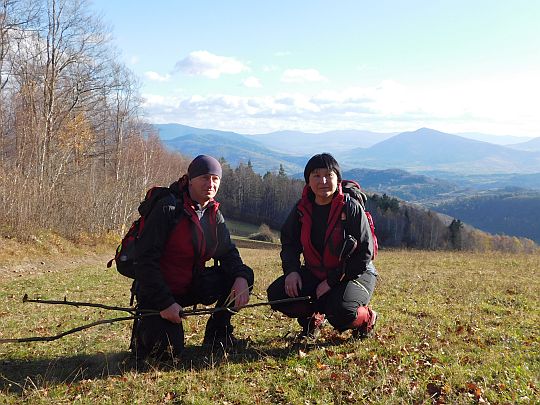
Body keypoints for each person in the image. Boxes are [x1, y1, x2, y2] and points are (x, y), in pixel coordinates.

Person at [132, 155, 254, 359]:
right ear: (191, 179)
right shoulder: (168, 208)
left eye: (216, 179)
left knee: (243, 275)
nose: (211, 184)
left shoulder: (214, 214)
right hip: (159, 292)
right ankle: (146, 331)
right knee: (167, 354)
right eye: (205, 177)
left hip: (192, 284)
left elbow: (229, 254)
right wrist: (164, 303)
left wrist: (241, 278)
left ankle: (218, 334)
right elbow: (144, 261)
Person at [267, 153, 377, 340]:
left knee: (340, 310)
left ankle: (367, 319)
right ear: (308, 181)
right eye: (316, 175)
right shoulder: (302, 209)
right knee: (279, 294)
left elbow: (365, 253)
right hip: (316, 272)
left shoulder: (350, 209)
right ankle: (313, 319)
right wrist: (292, 271)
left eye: (329, 175)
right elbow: (289, 243)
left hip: (354, 274)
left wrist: (331, 281)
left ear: (338, 179)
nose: (323, 180)